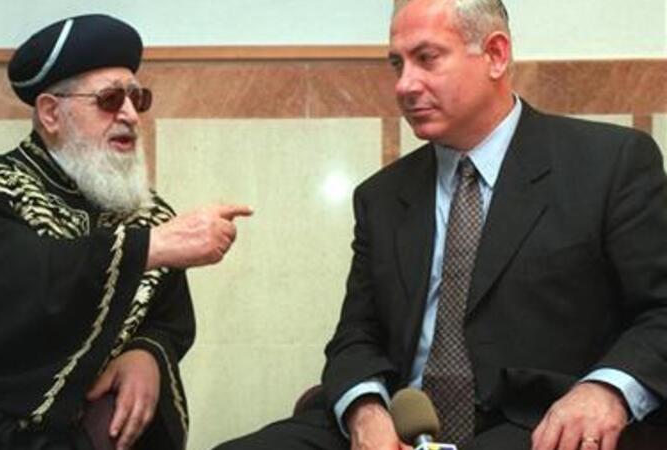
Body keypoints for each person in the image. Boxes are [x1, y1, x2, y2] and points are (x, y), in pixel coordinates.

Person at [215, 1, 667, 449]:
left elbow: (660, 311)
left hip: (535, 423)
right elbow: (356, 336)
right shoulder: (381, 197)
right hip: (399, 422)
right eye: (397, 64)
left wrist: (606, 391)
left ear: (495, 54)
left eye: (427, 58)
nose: (404, 85)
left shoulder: (608, 164)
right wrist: (365, 411)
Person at [0, 14, 251, 450]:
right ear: (51, 113)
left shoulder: (148, 216)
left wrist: (146, 353)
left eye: (137, 98)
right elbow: (10, 289)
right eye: (110, 99)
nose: (130, 115)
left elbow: (166, 319)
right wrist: (149, 247)